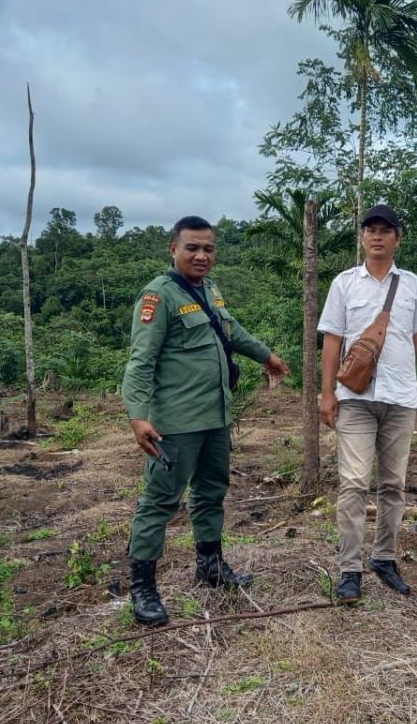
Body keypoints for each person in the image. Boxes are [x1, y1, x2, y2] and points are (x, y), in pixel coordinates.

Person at [122, 215, 290, 626]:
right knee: (160, 502)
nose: (201, 255)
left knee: (212, 492)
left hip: (215, 417)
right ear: (173, 249)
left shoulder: (209, 290)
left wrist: (266, 356)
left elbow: (232, 331)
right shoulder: (158, 297)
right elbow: (140, 362)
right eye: (192, 247)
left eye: (208, 249)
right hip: (174, 424)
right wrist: (138, 417)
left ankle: (211, 566)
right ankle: (143, 589)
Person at [318, 204, 417, 604]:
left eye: (385, 231)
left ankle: (385, 558)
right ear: (362, 237)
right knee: (354, 483)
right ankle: (349, 569)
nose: (377, 236)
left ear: (397, 239)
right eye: (370, 230)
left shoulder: (411, 285)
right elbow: (332, 340)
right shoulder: (344, 283)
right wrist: (326, 393)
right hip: (354, 399)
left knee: (393, 485)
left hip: (401, 397)